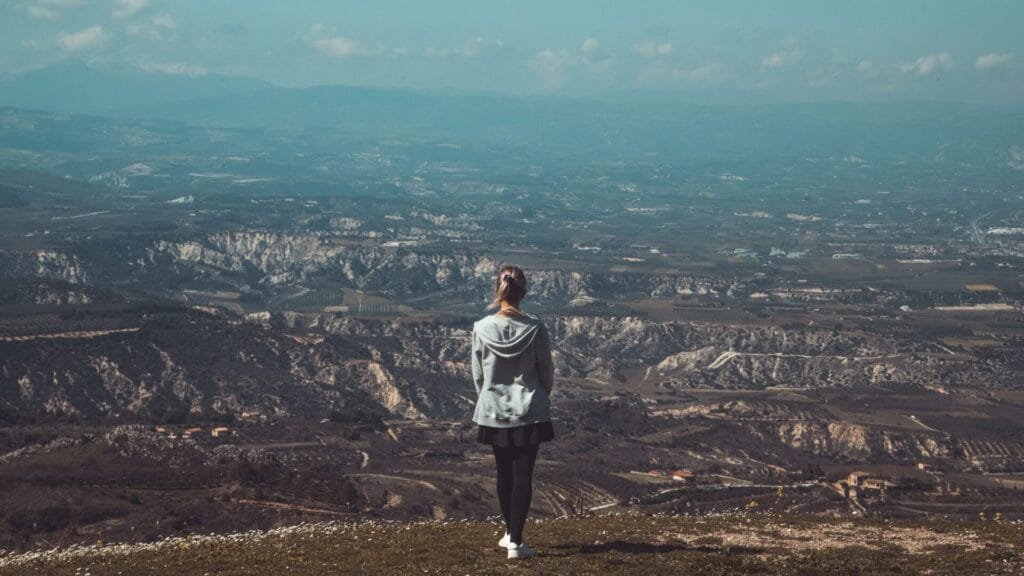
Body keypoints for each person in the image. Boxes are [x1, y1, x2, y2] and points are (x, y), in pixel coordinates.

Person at [471, 264, 555, 560]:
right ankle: (517, 541)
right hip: (529, 409)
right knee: (523, 475)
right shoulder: (535, 327)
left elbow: (478, 374)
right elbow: (546, 368)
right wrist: (542, 393)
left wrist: (489, 396)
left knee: (503, 474)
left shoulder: (481, 328)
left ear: (498, 289)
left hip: (494, 409)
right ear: (524, 293)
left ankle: (510, 535)